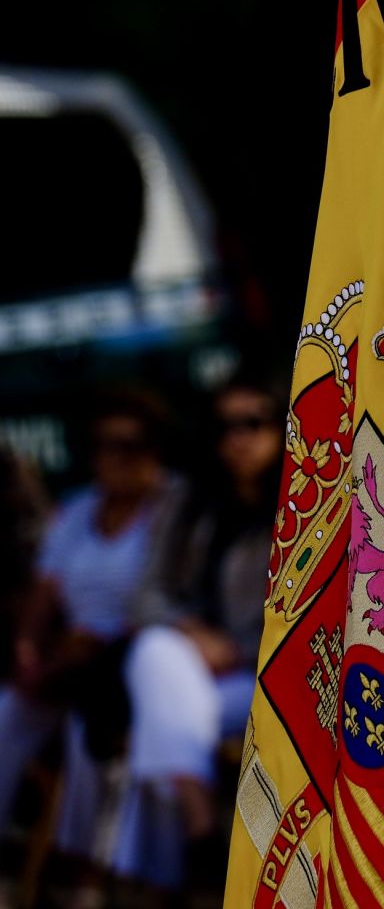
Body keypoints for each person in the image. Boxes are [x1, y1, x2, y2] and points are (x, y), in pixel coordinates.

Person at [108, 372, 283, 900]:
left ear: (281, 426)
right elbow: (147, 596)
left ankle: (163, 876)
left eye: (252, 422)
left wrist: (237, 651)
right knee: (156, 651)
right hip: (192, 672)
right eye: (225, 426)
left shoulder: (303, 504)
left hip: (266, 677)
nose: (238, 438)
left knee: (157, 717)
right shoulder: (190, 501)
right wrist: (193, 632)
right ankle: (201, 819)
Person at [0, 393, 178, 897]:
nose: (115, 457)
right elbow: (45, 591)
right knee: (6, 713)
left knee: (88, 728)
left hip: (133, 660)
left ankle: (83, 869)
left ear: (154, 449)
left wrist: (82, 655)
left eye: (130, 445)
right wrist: (29, 649)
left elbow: (164, 602)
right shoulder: (78, 511)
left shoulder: (172, 509)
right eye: (104, 445)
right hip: (68, 658)